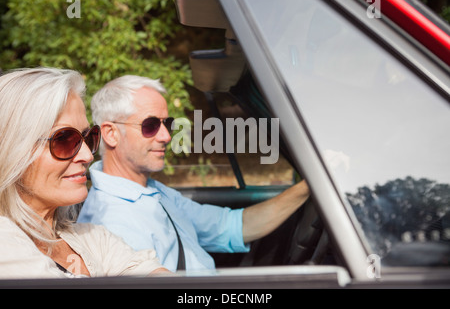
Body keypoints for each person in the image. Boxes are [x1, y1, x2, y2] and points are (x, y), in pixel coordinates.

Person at [77, 74, 310, 272]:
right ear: (110, 134)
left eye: (166, 123)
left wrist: (308, 187)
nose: (166, 136)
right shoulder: (109, 223)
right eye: (150, 125)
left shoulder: (152, 191)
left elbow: (230, 227)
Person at [0, 67, 170, 279]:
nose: (87, 155)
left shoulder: (91, 237)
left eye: (89, 137)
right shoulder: (5, 246)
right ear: (12, 151)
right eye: (64, 139)